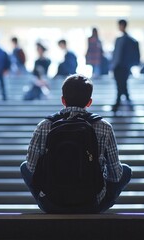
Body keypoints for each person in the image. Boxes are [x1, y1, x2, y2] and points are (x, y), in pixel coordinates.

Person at [20, 74, 132, 213]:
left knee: (24, 167)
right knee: (126, 170)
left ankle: (46, 197)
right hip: (91, 203)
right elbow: (115, 175)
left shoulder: (45, 125)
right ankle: (98, 199)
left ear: (63, 100)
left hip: (52, 203)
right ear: (89, 102)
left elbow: (31, 168)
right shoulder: (104, 127)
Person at [111, 19, 140, 113]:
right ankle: (125, 103)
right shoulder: (119, 39)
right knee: (122, 86)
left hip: (124, 67)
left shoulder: (130, 40)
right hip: (118, 67)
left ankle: (117, 105)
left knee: (121, 86)